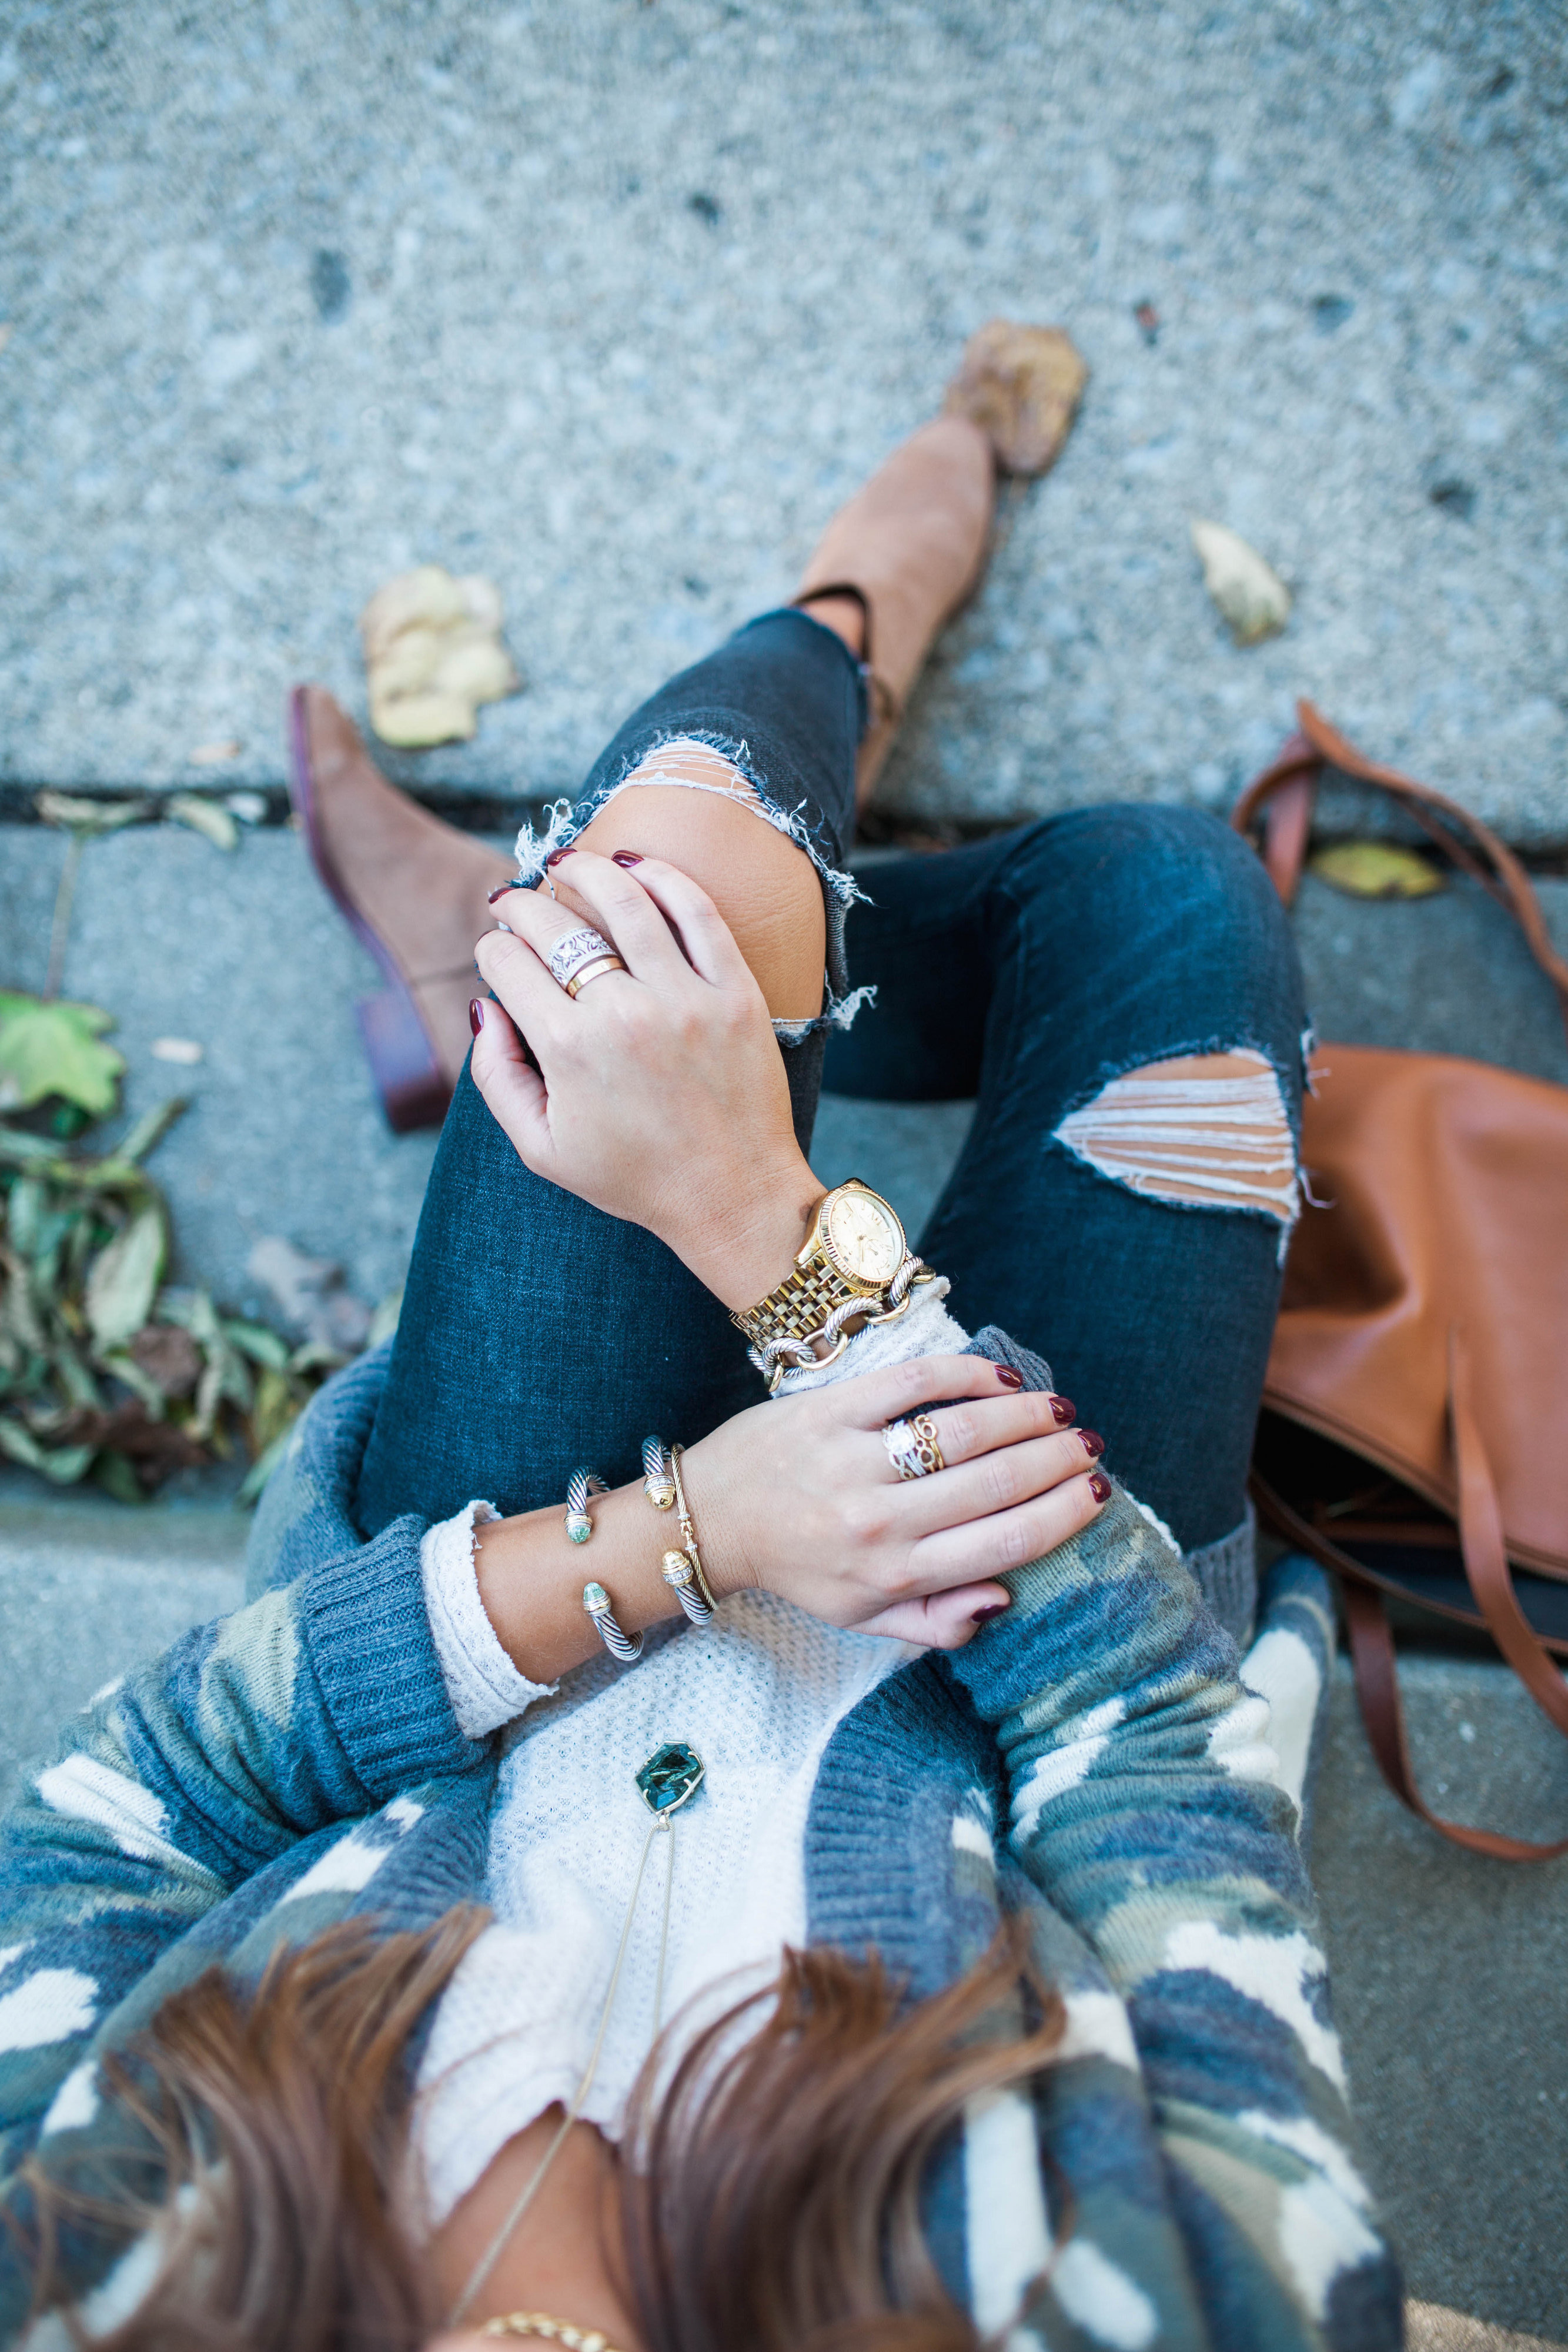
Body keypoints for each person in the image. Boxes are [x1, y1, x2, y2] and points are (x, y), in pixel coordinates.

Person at [0, 325, 1400, 2352]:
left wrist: (688, 1535)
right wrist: (768, 1241)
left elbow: (116, 1821)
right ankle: (608, 972)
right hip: (1036, 1658)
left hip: (501, 1598)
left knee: (652, 894)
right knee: (1166, 910)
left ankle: (850, 616)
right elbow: (1163, 1799)